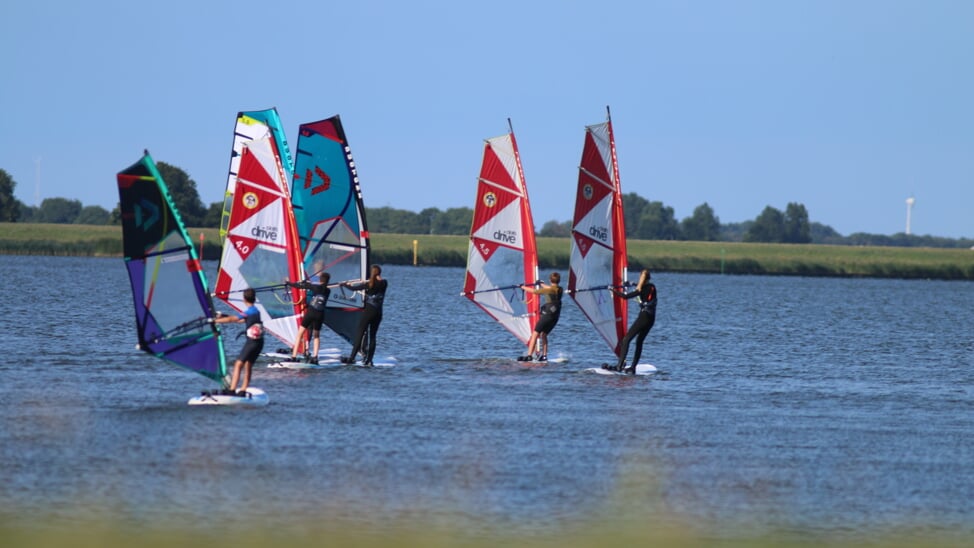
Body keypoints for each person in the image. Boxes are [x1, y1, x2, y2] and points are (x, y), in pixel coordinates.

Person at [606, 268, 657, 374]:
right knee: (639, 342)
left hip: (644, 317)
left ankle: (619, 366)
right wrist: (632, 284)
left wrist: (613, 290)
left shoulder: (640, 290)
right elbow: (643, 287)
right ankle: (633, 367)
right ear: (649, 278)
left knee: (626, 340)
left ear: (640, 277)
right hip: (651, 319)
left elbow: (625, 297)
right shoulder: (652, 287)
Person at [214, 287, 263, 394]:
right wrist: (223, 316)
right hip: (259, 343)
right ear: (254, 299)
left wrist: (215, 321)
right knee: (248, 365)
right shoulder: (256, 311)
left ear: (244, 299)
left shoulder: (249, 311)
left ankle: (232, 390)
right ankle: (243, 389)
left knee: (238, 364)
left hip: (251, 343)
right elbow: (241, 320)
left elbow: (234, 319)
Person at [340, 265, 387, 366]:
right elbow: (379, 281)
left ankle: (351, 358)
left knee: (360, 334)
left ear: (372, 273)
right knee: (373, 336)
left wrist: (345, 284)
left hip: (368, 313)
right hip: (378, 313)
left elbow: (353, 289)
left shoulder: (369, 284)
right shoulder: (384, 283)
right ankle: (369, 360)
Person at [285, 272, 331, 364]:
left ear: (320, 280)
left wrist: (289, 283)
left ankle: (294, 357)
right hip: (320, 314)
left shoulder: (315, 287)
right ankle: (315, 357)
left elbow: (299, 286)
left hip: (311, 313)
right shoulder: (328, 291)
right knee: (316, 336)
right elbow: (320, 287)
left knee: (300, 334)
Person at [518, 272, 563, 362]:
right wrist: (541, 284)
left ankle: (529, 355)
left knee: (535, 333)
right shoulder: (560, 289)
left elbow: (534, 291)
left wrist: (522, 287)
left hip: (547, 315)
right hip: (555, 316)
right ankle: (544, 356)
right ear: (559, 281)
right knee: (544, 335)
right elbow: (550, 288)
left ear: (550, 280)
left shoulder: (549, 290)